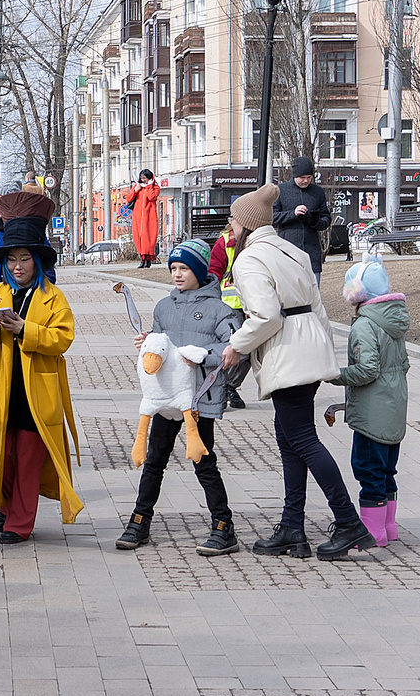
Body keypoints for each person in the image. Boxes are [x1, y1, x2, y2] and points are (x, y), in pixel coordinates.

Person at [219, 184, 370, 560]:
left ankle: (349, 522)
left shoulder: (249, 260)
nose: (229, 227)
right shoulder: (293, 250)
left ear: (247, 225)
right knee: (291, 442)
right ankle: (291, 527)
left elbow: (266, 315)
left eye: (233, 221)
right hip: (308, 351)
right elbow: (318, 310)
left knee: (302, 441)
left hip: (287, 354)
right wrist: (326, 359)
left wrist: (236, 346)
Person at [0, 193, 81, 543]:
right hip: (1, 389)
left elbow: (63, 338)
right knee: (1, 453)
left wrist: (24, 331)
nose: (17, 266)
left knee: (29, 458)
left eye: (24, 259)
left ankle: (19, 522)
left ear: (37, 261)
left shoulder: (52, 297)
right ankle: (6, 504)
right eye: (12, 259)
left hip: (37, 392)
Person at [114, 243, 241, 557]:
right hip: (166, 398)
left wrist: (202, 358)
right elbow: (160, 347)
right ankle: (139, 522)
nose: (177, 274)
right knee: (155, 460)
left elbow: (237, 347)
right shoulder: (163, 307)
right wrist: (149, 344)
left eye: (183, 269)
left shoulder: (219, 309)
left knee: (203, 461)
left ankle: (223, 527)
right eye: (173, 268)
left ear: (198, 271)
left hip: (199, 399)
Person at [326, 255, 410, 546]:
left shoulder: (364, 325)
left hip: (372, 414)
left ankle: (373, 531)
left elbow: (367, 370)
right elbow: (404, 364)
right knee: (387, 471)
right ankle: (389, 526)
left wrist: (335, 374)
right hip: (393, 407)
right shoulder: (394, 320)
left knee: (367, 469)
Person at [273, 156, 331, 275]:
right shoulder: (281, 190)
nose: (305, 181)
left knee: (313, 292)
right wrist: (292, 214)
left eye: (309, 177)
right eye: (302, 178)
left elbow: (326, 219)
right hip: (288, 252)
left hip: (312, 254)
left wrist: (315, 221)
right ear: (294, 176)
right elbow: (272, 217)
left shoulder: (318, 192)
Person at [120, 170, 162, 267]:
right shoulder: (137, 187)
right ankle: (142, 259)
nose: (143, 180)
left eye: (145, 178)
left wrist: (149, 186)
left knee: (148, 238)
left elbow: (151, 197)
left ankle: (148, 259)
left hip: (149, 217)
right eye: (141, 178)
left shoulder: (155, 187)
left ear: (150, 178)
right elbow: (129, 198)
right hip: (138, 217)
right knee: (138, 237)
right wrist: (135, 190)